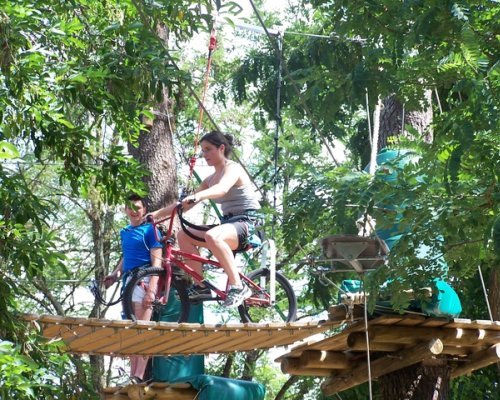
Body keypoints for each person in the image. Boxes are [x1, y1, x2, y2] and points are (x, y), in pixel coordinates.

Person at [150, 130, 260, 308]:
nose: (204, 154)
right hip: (229, 224)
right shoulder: (209, 180)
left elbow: (222, 189)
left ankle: (238, 286)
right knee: (183, 235)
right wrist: (155, 215)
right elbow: (184, 205)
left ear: (221, 148)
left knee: (213, 236)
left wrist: (200, 196)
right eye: (202, 150)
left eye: (208, 149)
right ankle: (201, 286)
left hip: (249, 223)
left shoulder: (233, 168)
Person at [104, 194, 163, 383]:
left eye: (138, 207)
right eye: (130, 207)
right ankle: (132, 376)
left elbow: (157, 263)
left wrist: (151, 291)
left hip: (143, 280)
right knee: (131, 331)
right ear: (125, 210)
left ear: (144, 210)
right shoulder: (125, 232)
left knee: (141, 330)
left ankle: (138, 375)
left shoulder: (151, 231)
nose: (134, 211)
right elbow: (126, 257)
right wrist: (115, 275)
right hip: (128, 283)